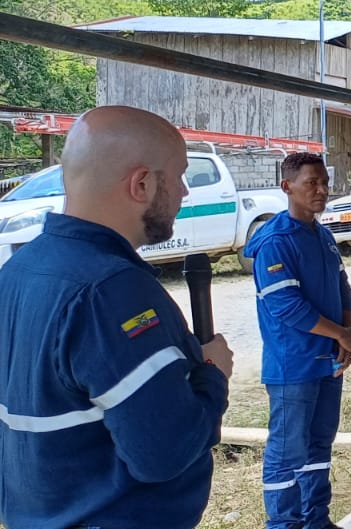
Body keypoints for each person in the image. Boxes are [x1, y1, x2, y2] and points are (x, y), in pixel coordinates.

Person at [0, 106, 232, 529]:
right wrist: (213, 373)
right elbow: (165, 451)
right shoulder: (110, 291)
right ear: (142, 184)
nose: (184, 192)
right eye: (179, 175)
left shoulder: (19, 270)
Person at [246, 152, 351, 529]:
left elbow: (342, 286)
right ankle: (285, 523)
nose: (322, 190)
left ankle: (317, 519)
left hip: (328, 361)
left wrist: (348, 334)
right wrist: (341, 334)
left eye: (324, 182)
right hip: (292, 366)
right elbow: (287, 306)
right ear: (287, 187)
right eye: (311, 183)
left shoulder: (322, 235)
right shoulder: (275, 241)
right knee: (286, 453)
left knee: (319, 445)